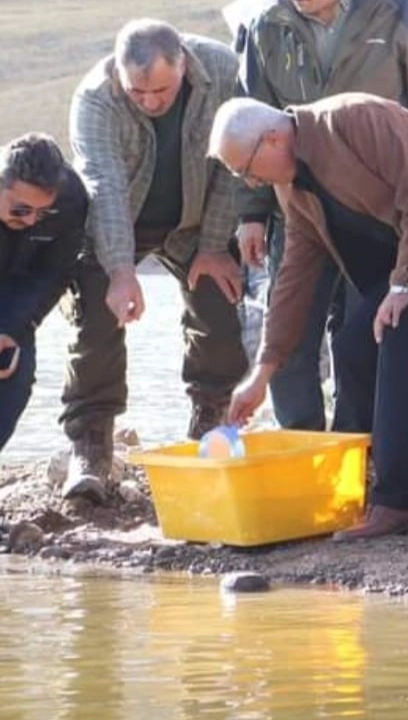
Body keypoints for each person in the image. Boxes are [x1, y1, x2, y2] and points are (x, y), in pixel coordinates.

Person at [212, 94, 408, 538]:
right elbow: (296, 274)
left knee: (399, 329)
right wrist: (264, 369)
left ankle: (397, 499)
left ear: (273, 138)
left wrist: (403, 283)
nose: (251, 182)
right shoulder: (290, 186)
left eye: (246, 169)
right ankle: (392, 484)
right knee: (354, 344)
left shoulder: (357, 119)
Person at [235, 0, 408, 433]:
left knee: (366, 332)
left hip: (382, 210)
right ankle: (300, 443)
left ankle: (360, 445)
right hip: (299, 204)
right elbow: (249, 115)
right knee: (291, 326)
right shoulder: (265, 24)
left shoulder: (404, 11)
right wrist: (251, 211)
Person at [62, 20, 248, 502]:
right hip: (120, 221)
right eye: (137, 91)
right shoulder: (95, 99)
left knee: (221, 316)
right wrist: (122, 272)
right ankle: (92, 448)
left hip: (197, 221)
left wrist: (212, 245)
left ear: (183, 64)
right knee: (99, 319)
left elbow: (237, 164)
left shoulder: (226, 71)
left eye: (160, 90)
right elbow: (102, 189)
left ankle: (209, 429)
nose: (149, 101)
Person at [0, 134, 88, 452]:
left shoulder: (71, 200)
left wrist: (9, 328)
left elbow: (53, 273)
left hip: (19, 291)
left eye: (42, 213)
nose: (31, 220)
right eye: (21, 209)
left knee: (14, 377)